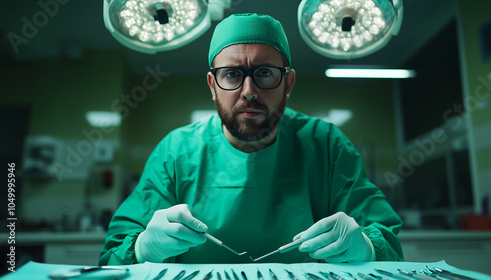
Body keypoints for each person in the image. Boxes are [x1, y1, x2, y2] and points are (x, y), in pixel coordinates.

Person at [98, 13, 403, 265]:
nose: (248, 91)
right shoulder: (175, 152)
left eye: (265, 73)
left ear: (288, 83)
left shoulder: (326, 144)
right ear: (212, 85)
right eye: (231, 74)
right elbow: (110, 258)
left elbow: (389, 245)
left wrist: (366, 247)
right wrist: (142, 249)